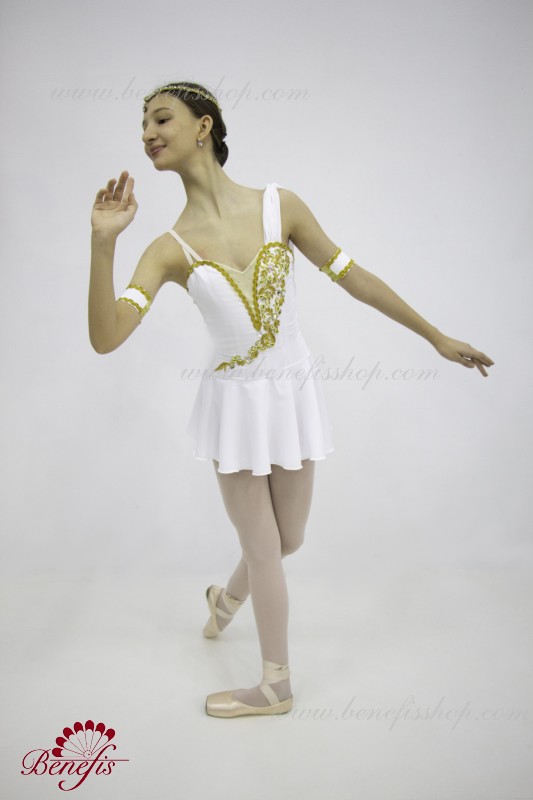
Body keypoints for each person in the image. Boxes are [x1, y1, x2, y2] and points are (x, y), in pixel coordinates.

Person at [88, 80, 494, 719]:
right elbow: (106, 338)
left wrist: (435, 336)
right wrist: (104, 243)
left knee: (288, 540)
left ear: (204, 126)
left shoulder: (281, 206)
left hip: (293, 395)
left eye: (161, 119)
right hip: (234, 409)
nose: (147, 134)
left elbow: (356, 279)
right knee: (263, 548)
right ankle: (275, 684)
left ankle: (225, 601)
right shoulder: (167, 249)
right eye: (142, 126)